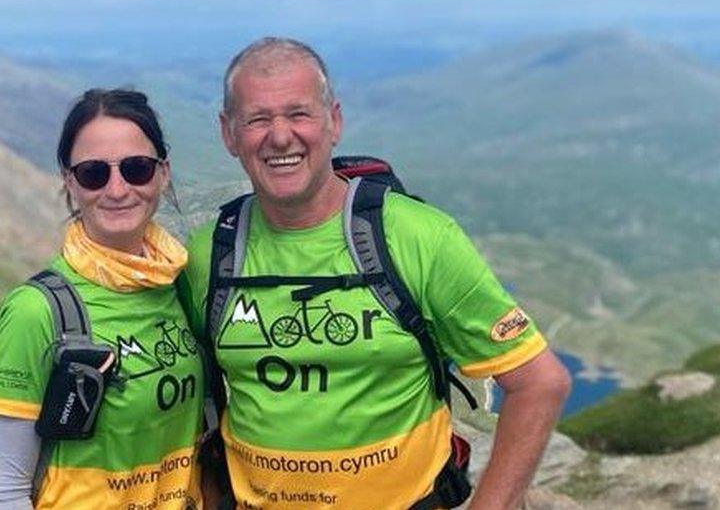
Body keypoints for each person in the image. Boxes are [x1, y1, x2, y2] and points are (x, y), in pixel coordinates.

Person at [184, 38, 571, 509]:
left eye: (299, 113)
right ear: (228, 134)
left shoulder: (417, 237)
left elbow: (539, 382)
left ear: (335, 122)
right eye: (257, 119)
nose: (280, 136)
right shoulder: (212, 252)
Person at [0, 88, 205, 509]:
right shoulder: (35, 311)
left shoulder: (178, 280)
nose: (117, 189)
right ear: (70, 182)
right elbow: (4, 494)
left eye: (137, 169)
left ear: (163, 173)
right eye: (93, 174)